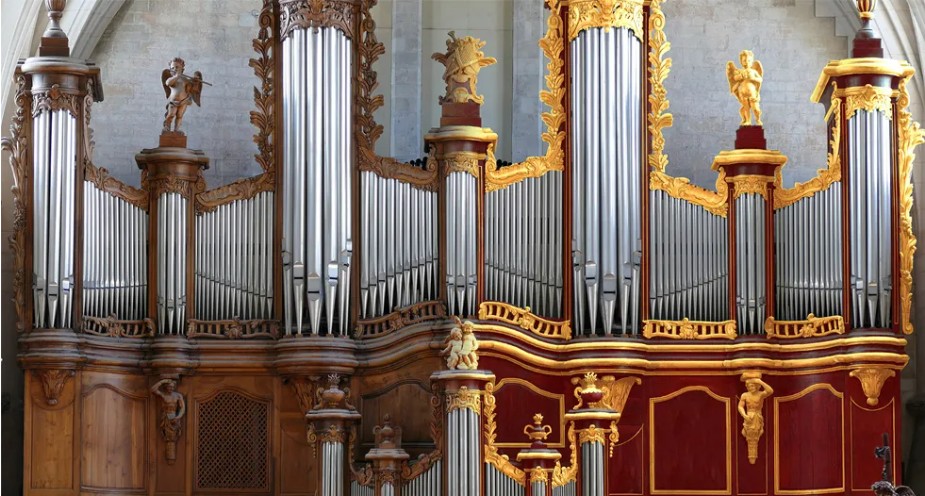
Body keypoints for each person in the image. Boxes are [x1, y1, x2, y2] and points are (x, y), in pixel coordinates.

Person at [161, 57, 204, 133]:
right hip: (173, 101)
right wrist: (176, 76)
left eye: (177, 67)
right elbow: (168, 83)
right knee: (171, 114)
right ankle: (167, 127)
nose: (175, 69)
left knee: (179, 116)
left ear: (182, 69)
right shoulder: (171, 79)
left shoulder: (186, 80)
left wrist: (196, 82)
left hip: (184, 101)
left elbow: (192, 89)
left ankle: (177, 129)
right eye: (172, 68)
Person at [726, 50, 764, 126]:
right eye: (744, 61)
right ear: (741, 61)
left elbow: (760, 80)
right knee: (746, 108)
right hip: (742, 94)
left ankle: (757, 119)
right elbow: (734, 78)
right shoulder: (739, 71)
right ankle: (747, 120)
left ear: (752, 61)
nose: (746, 62)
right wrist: (739, 77)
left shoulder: (753, 71)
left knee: (756, 109)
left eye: (749, 60)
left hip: (752, 94)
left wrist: (753, 78)